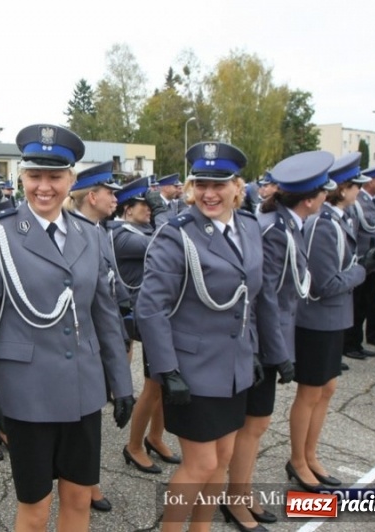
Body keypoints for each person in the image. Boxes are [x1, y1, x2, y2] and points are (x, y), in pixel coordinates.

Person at [0, 123, 134, 532]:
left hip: (83, 390)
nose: (44, 186)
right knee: (35, 511)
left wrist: (121, 382)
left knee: (77, 500)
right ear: (21, 177)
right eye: (35, 176)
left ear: (71, 180)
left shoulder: (90, 236)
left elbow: (103, 314)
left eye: (55, 176)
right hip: (27, 396)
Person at [136, 141, 282, 532]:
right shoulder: (176, 234)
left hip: (235, 367)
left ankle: (201, 528)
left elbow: (255, 295)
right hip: (193, 370)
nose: (209, 193)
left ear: (238, 186)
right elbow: (150, 308)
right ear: (191, 187)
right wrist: (167, 369)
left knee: (223, 457)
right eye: (201, 183)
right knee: (200, 463)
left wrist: (265, 350)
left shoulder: (249, 227)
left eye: (219, 184)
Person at [223, 151, 335, 531]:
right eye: (323, 193)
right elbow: (264, 295)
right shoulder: (274, 228)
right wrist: (276, 351)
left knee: (256, 422)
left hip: (273, 336)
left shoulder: (288, 224)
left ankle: (242, 490)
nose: (325, 199)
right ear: (309, 199)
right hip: (261, 341)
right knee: (253, 424)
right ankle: (236, 498)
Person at [289, 152, 375, 492]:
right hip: (317, 320)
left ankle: (310, 454)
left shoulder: (338, 219)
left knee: (327, 388)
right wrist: (362, 269)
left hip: (333, 318)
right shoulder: (324, 225)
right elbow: (324, 285)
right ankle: (298, 460)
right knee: (310, 393)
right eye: (355, 186)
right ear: (342, 189)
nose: (359, 192)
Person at [63, 161, 127, 513]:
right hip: (81, 336)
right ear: (92, 195)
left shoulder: (99, 229)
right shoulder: (77, 231)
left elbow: (109, 284)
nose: (116, 198)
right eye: (110, 192)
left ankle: (88, 481)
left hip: (105, 329)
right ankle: (86, 483)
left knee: (96, 409)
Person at [111, 177, 181, 477]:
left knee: (164, 383)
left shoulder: (142, 230)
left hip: (163, 318)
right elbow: (172, 241)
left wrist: (159, 211)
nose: (149, 210)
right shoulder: (123, 236)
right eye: (144, 205)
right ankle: (134, 446)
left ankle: (155, 437)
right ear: (128, 209)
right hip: (147, 321)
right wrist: (164, 211)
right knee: (153, 386)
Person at [343, 163, 375, 358]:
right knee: (356, 305)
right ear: (370, 181)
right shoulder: (358, 203)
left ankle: (356, 343)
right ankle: (350, 344)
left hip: (373, 262)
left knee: (364, 305)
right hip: (361, 261)